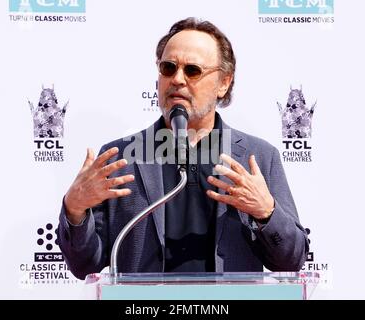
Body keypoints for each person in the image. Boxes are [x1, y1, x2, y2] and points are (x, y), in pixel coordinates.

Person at [58, 17, 309, 280]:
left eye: (192, 70)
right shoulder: (121, 157)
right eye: (168, 68)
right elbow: (84, 266)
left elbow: (291, 260)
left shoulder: (257, 157)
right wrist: (75, 210)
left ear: (224, 82)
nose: (177, 79)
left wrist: (265, 212)